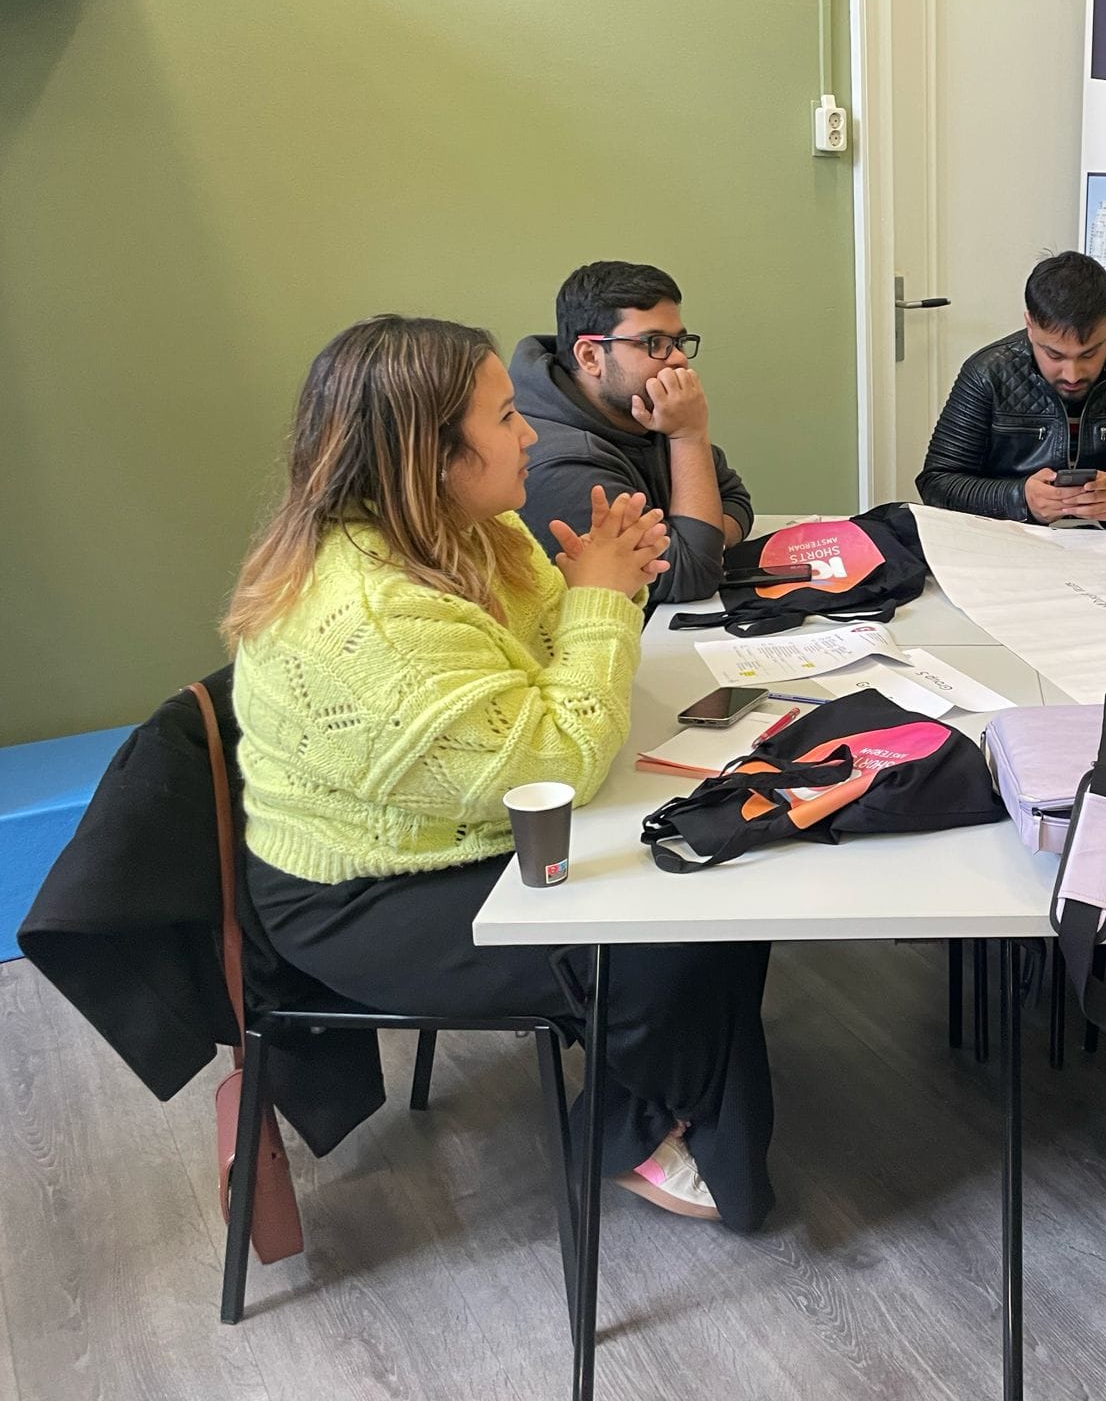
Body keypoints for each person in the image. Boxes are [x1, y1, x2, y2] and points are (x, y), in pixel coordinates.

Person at [225, 315, 776, 1229]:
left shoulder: (475, 532)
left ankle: (645, 1107)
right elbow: (559, 761)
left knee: (717, 871)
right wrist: (602, 599)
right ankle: (642, 1133)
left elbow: (557, 656)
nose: (529, 435)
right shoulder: (375, 617)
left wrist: (606, 581)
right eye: (506, 417)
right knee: (674, 927)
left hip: (460, 824)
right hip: (365, 891)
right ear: (430, 456)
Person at [510, 261, 753, 604]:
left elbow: (735, 499)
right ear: (590, 356)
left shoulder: (643, 409)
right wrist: (688, 437)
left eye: (678, 341)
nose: (678, 359)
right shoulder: (557, 460)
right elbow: (692, 575)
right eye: (654, 342)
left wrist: (697, 539)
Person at [916, 251, 1106, 528]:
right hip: (1011, 544)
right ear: (1030, 324)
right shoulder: (988, 373)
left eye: (1089, 353)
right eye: (1054, 355)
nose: (1072, 374)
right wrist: (1019, 499)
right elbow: (937, 483)